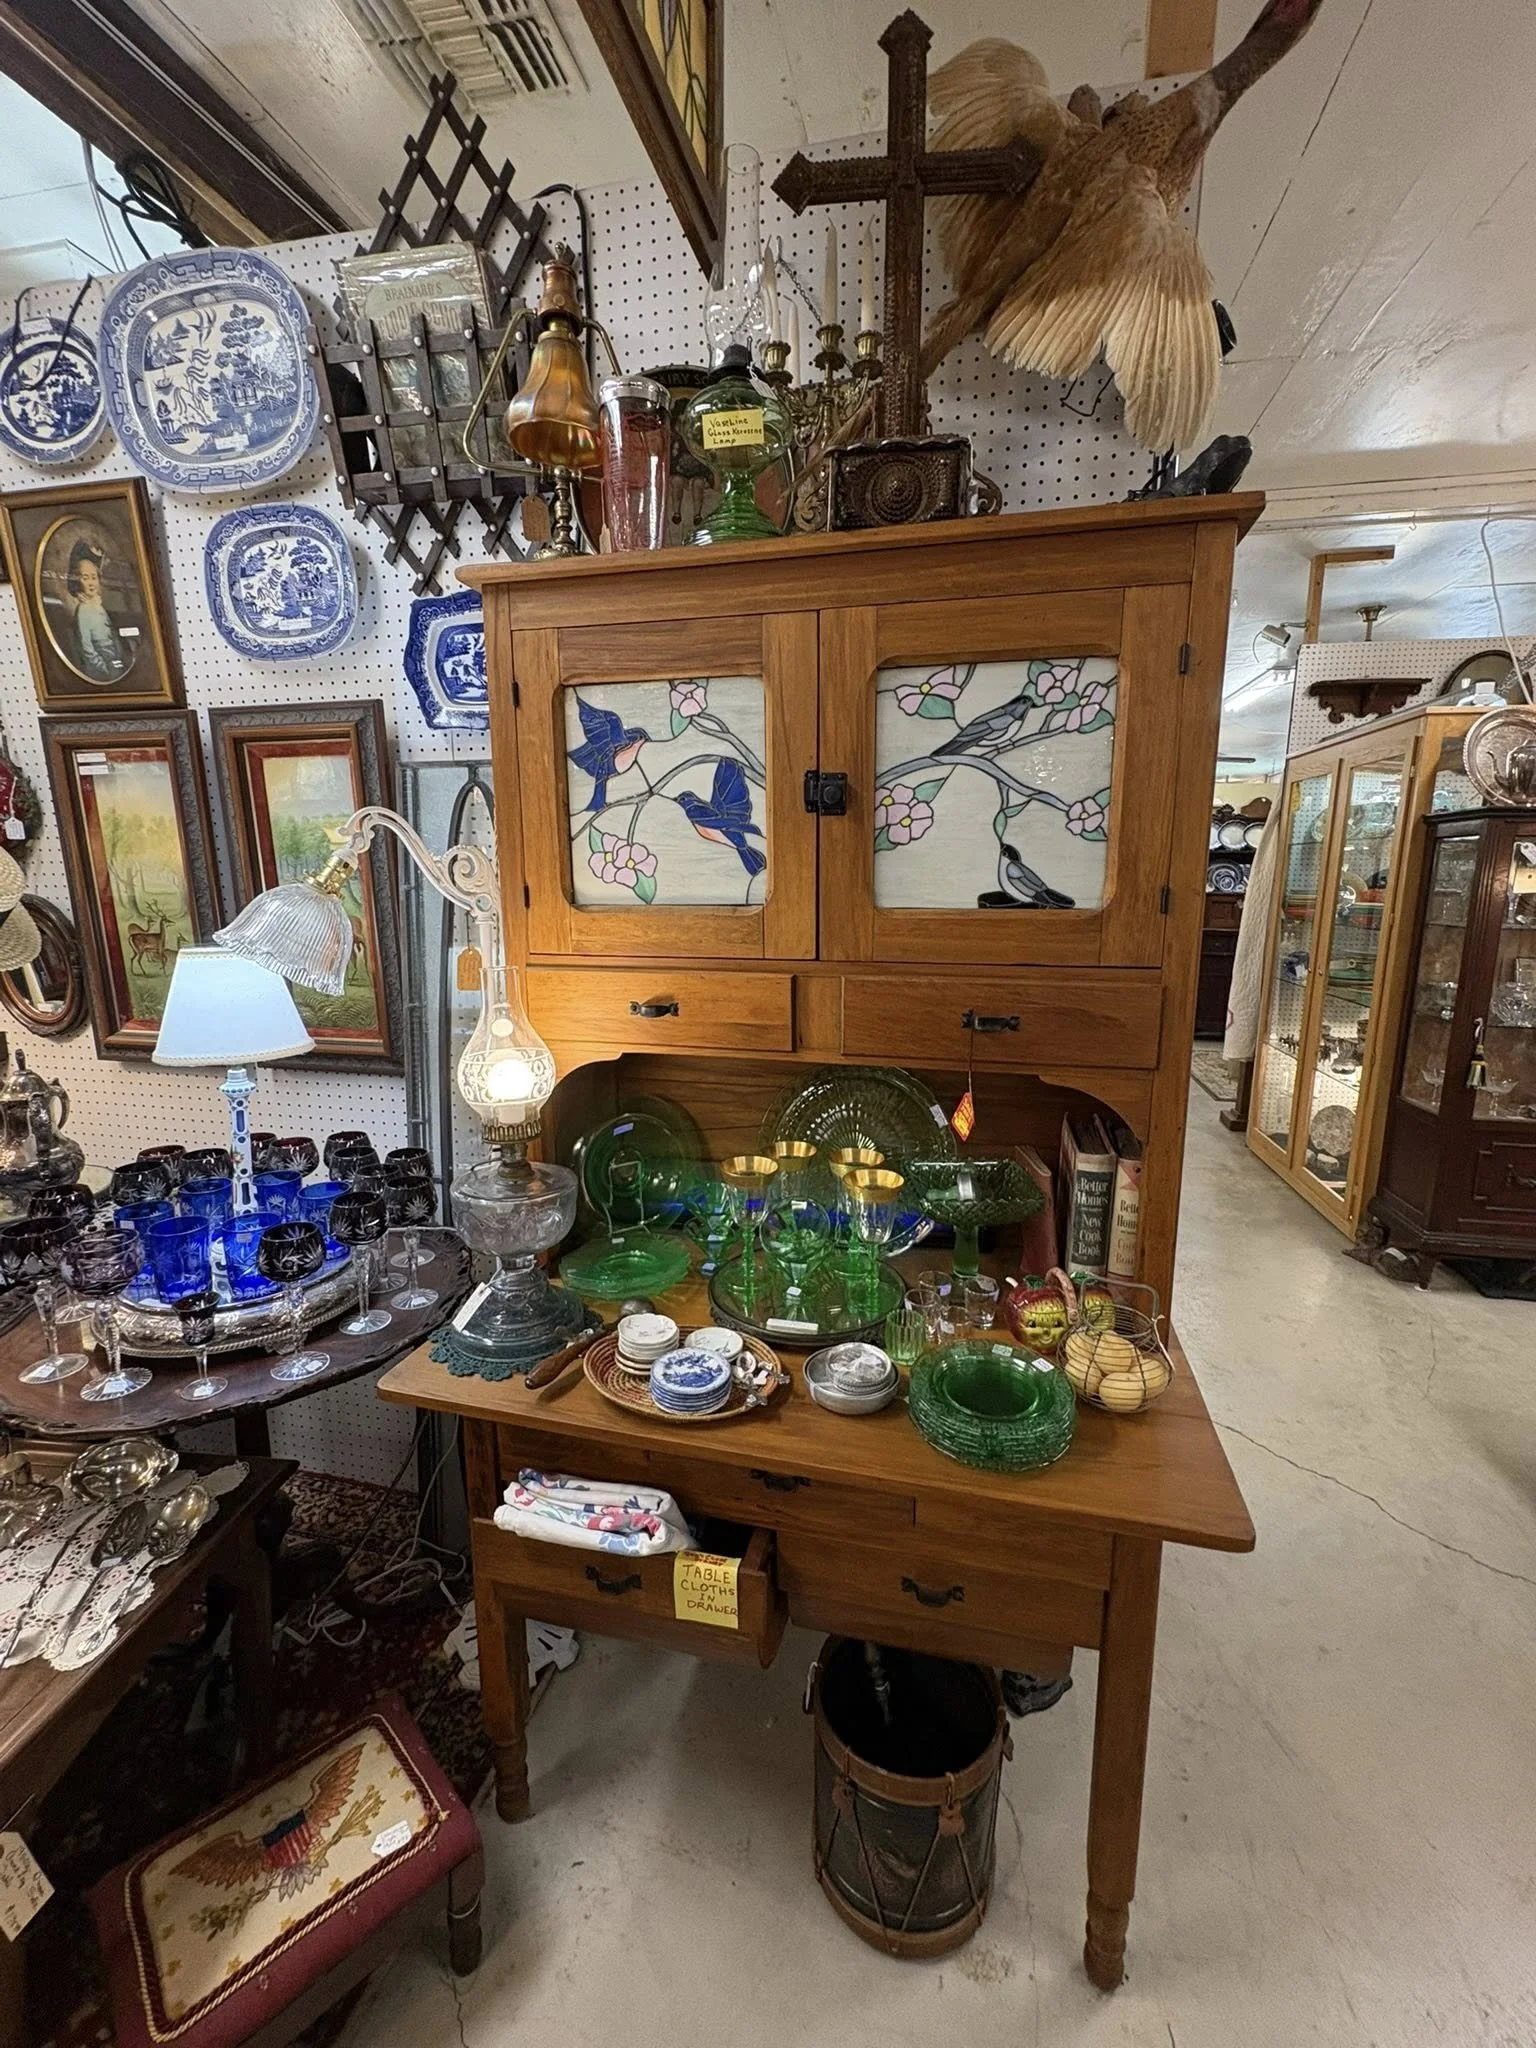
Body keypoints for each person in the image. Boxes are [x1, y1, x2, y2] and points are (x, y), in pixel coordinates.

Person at [66, 540, 128, 680]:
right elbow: (87, 649)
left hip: (115, 660)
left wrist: (119, 658)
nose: (91, 583)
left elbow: (112, 635)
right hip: (101, 667)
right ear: (78, 581)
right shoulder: (84, 611)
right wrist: (104, 668)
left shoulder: (99, 606)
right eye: (85, 578)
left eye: (94, 577)